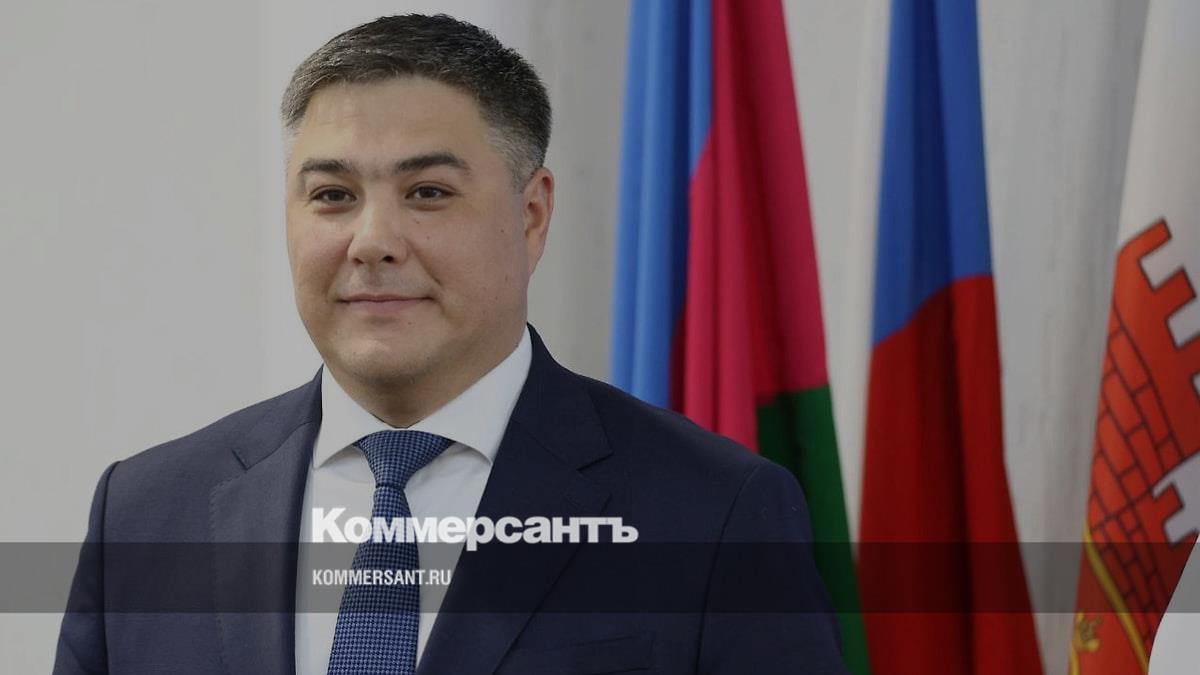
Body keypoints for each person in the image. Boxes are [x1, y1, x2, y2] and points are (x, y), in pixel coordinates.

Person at [53, 14, 846, 675]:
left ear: (531, 215)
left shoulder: (714, 514)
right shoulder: (145, 513)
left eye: (427, 192)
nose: (372, 240)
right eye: (332, 195)